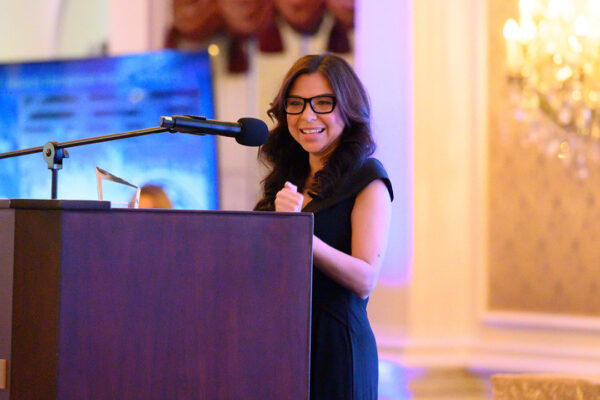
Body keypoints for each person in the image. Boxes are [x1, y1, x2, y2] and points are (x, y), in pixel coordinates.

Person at [254, 53, 393, 399]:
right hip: (282, 346)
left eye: (323, 103)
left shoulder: (368, 178)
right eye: (296, 104)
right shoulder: (285, 180)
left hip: (338, 350)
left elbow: (365, 279)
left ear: (348, 109)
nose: (307, 116)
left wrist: (299, 230)